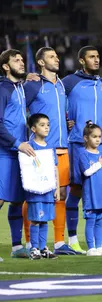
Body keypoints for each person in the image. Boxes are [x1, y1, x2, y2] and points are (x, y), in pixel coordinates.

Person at [23, 47, 76, 255]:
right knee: (35, 195)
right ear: (41, 63)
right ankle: (29, 242)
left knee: (61, 194)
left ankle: (59, 242)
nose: (57, 59)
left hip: (62, 147)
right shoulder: (34, 84)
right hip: (41, 150)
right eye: (51, 57)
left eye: (57, 56)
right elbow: (18, 105)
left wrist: (65, 122)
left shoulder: (62, 84)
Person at [62, 46, 102, 254]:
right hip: (77, 143)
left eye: (98, 56)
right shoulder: (70, 82)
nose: (96, 60)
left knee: (97, 189)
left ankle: (97, 242)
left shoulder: (100, 82)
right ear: (81, 61)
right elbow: (53, 103)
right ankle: (72, 238)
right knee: (76, 189)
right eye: (92, 57)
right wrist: (64, 121)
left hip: (99, 145)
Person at [0, 49, 35, 260]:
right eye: (17, 60)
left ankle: (16, 247)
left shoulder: (20, 88)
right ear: (5, 66)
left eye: (22, 60)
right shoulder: (3, 89)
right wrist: (15, 143)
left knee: (17, 200)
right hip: (4, 152)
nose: (22, 63)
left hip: (19, 153)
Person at [24, 113, 59, 260]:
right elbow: (26, 167)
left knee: (46, 219)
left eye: (48, 125)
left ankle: (43, 247)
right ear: (33, 128)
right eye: (42, 125)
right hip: (35, 190)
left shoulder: (51, 147)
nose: (46, 128)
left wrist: (56, 187)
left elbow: (54, 167)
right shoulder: (29, 146)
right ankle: (34, 248)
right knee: (35, 219)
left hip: (48, 189)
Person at [78, 121, 102, 256]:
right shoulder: (83, 155)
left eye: (99, 136)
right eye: (94, 136)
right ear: (86, 138)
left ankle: (99, 246)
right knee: (91, 220)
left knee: (100, 221)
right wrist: (99, 163)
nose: (98, 139)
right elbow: (86, 172)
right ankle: (91, 248)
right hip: (91, 195)